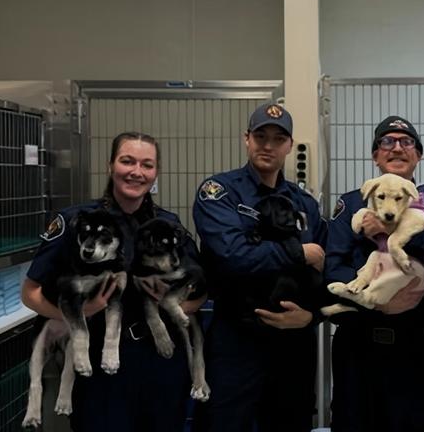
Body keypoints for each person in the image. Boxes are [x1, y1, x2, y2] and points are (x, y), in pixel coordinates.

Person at [21, 131, 206, 432]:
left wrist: (174, 303)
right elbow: (30, 294)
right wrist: (84, 312)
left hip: (161, 361)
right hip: (99, 364)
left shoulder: (169, 225)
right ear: (110, 166)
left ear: (156, 172)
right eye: (127, 161)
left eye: (147, 164)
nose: (136, 171)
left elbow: (199, 293)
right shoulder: (76, 221)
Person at [324, 115, 424, 432]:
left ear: (418, 155)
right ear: (375, 156)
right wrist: (375, 296)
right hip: (355, 345)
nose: (396, 148)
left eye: (406, 142)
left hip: (410, 345)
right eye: (386, 142)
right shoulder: (352, 204)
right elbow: (333, 268)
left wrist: (404, 232)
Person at [191, 102, 328, 432]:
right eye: (260, 136)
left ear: (289, 146)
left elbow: (328, 268)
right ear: (246, 139)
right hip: (237, 338)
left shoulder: (305, 203)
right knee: (223, 422)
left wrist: (314, 316)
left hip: (294, 343)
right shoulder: (219, 193)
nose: (268, 145)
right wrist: (299, 253)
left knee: (290, 423)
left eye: (278, 139)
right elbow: (232, 255)